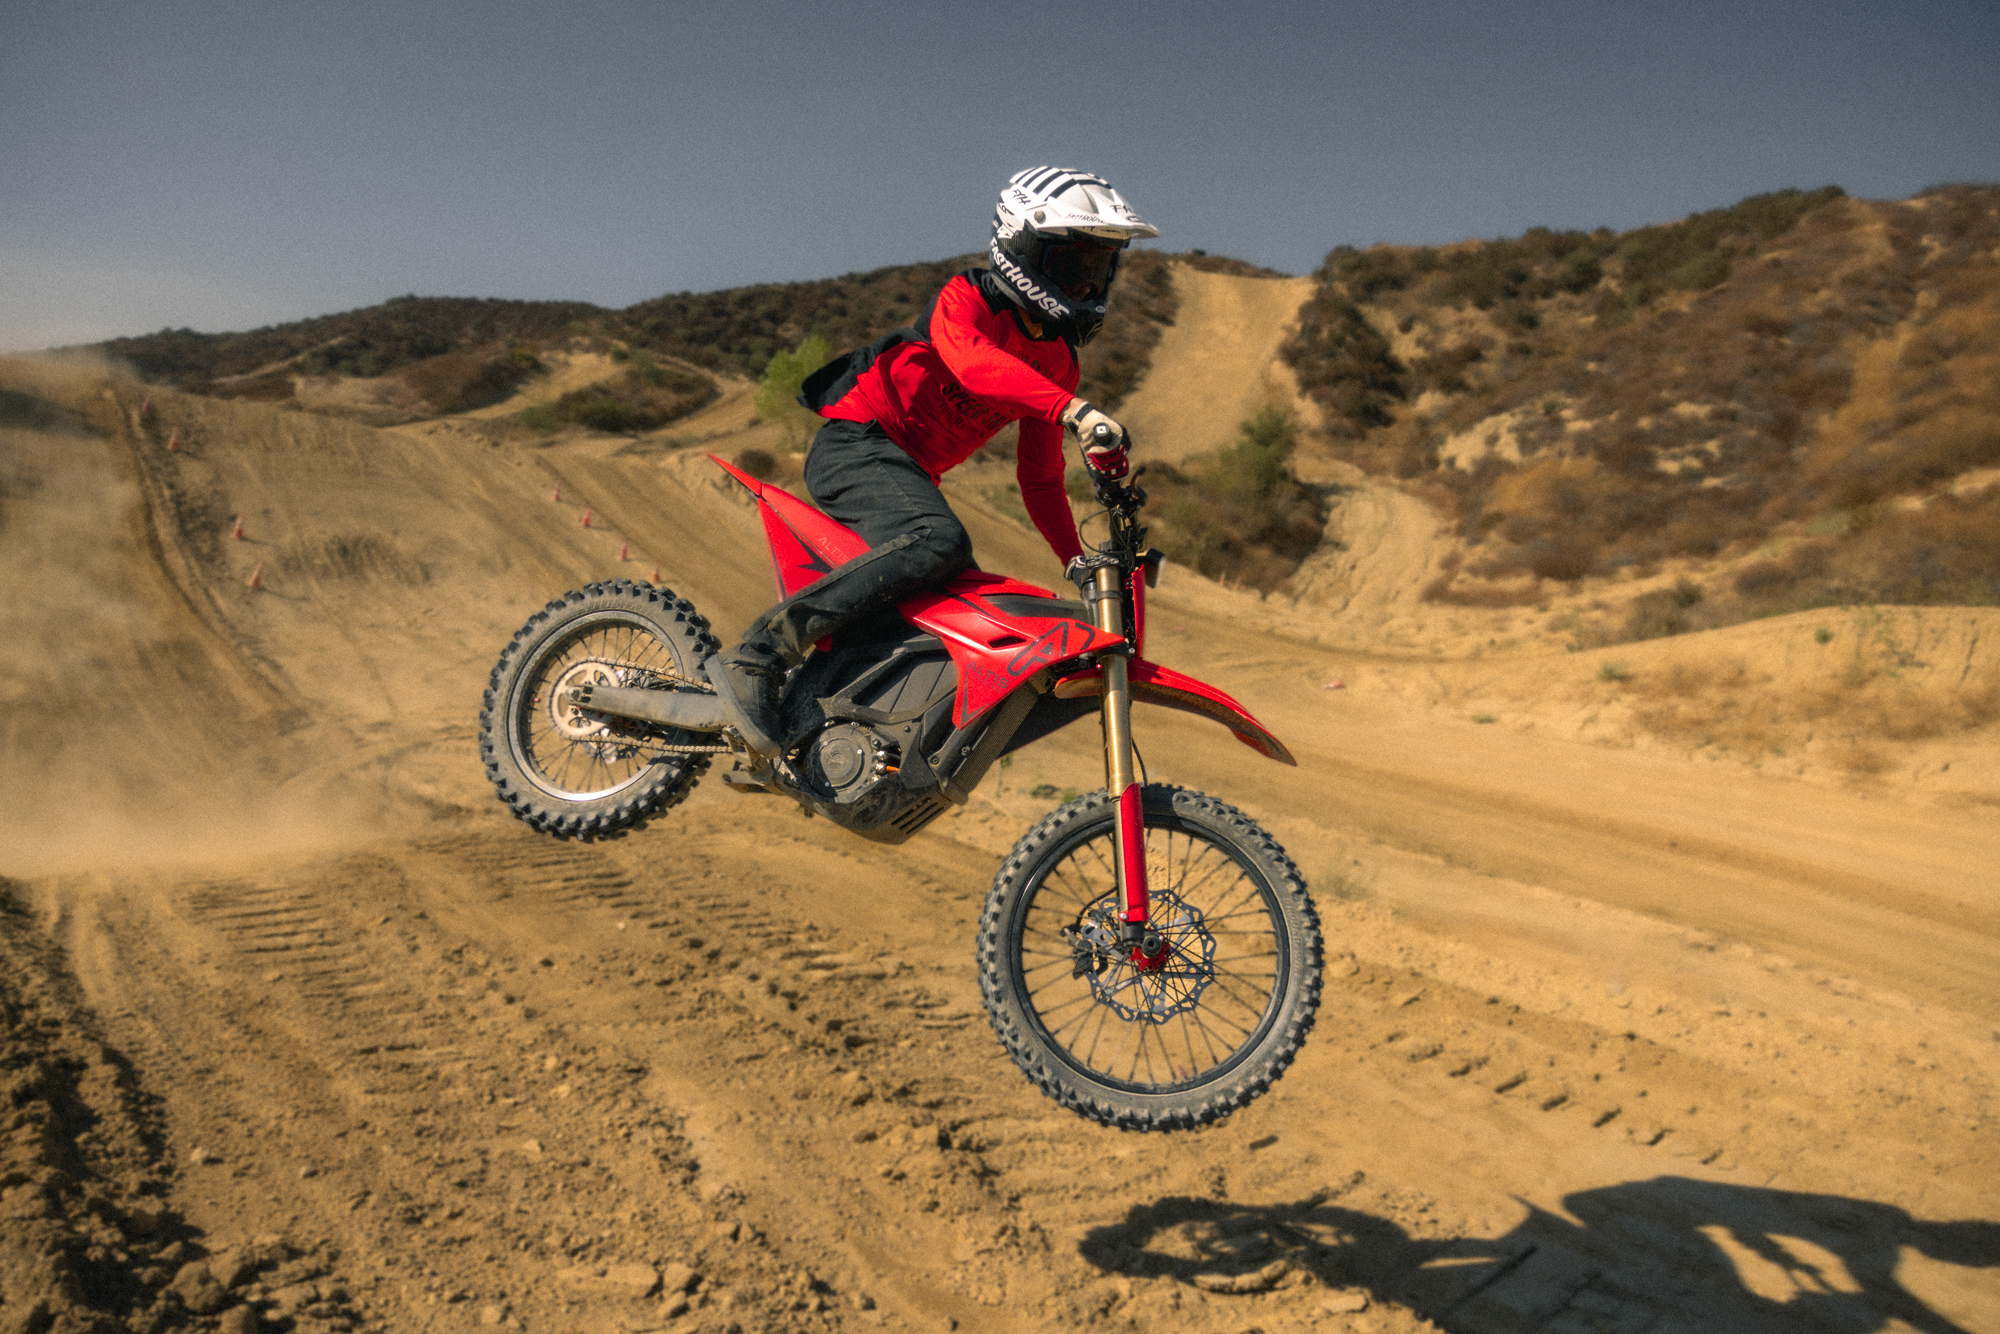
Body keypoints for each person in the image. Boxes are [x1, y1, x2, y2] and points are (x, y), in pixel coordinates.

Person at [707, 167, 1159, 755]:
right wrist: (1074, 411)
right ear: (1021, 245)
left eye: (1100, 269)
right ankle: (759, 654)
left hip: (907, 473)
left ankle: (822, 718)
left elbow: (1041, 478)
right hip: (857, 442)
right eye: (1075, 264)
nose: (1088, 282)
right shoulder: (966, 298)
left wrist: (1075, 560)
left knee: (952, 590)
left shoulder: (1056, 360)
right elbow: (974, 365)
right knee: (936, 541)